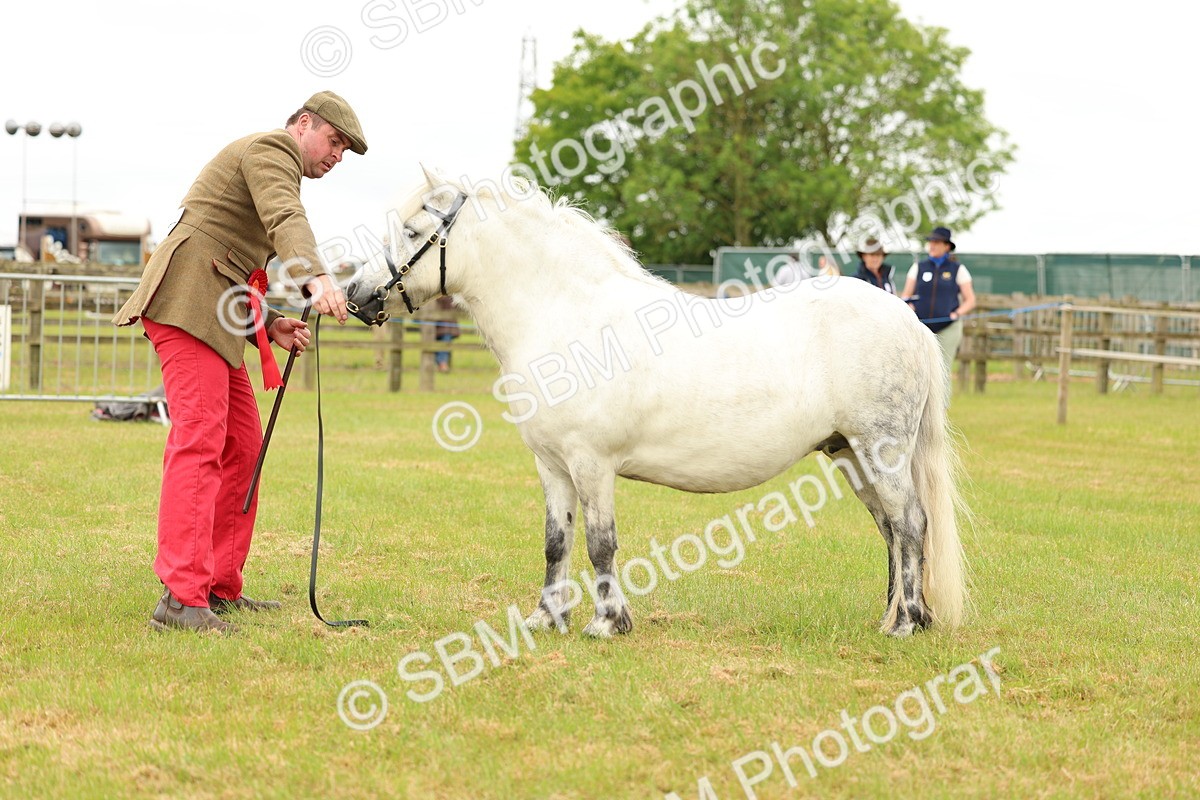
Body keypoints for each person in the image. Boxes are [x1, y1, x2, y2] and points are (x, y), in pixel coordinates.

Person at [112, 91, 367, 633]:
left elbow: (235, 267)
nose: (338, 155)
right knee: (200, 441)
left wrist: (270, 323)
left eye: (345, 150)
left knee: (242, 446)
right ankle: (181, 598)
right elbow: (284, 216)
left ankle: (217, 586)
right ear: (303, 125)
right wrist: (315, 276)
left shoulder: (270, 159)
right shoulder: (273, 148)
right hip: (189, 305)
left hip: (215, 312)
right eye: (335, 141)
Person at [900, 226, 977, 378]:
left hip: (948, 327)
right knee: (918, 370)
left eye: (937, 242)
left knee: (942, 372)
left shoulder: (957, 269)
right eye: (931, 242)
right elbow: (906, 295)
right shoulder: (918, 267)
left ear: (946, 246)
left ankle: (942, 403)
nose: (932, 245)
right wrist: (909, 308)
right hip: (921, 326)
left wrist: (957, 313)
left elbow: (971, 300)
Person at [433, 295, 460, 372]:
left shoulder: (448, 297)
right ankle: (441, 365)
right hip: (440, 326)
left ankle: (443, 364)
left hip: (446, 327)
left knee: (444, 346)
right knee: (440, 347)